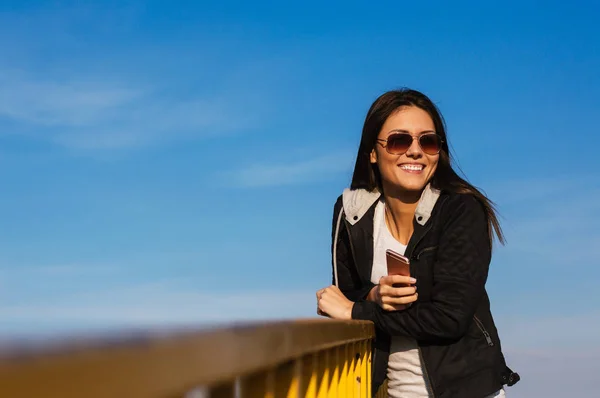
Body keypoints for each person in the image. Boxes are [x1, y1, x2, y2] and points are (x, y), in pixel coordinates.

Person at [316, 89, 519, 398]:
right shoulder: (352, 213)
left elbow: (450, 318)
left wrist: (359, 312)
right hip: (395, 391)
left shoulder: (461, 210)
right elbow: (343, 297)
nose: (415, 151)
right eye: (399, 141)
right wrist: (372, 294)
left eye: (428, 141)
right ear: (373, 151)